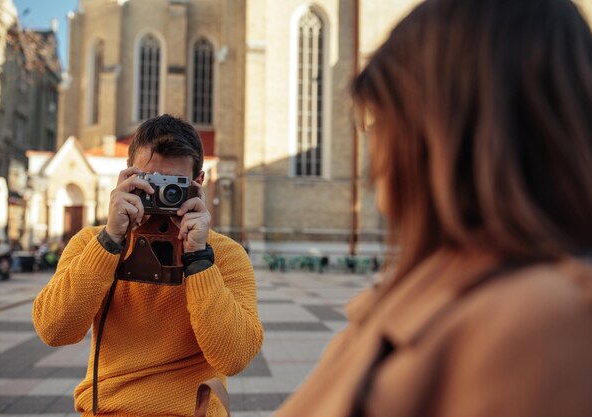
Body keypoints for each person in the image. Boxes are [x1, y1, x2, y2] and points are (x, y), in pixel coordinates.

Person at [273, 0, 592, 416]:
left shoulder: (538, 322)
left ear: (449, 132)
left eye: (382, 119)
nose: (373, 150)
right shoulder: (433, 282)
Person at [32, 115, 264, 417]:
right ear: (127, 176)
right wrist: (110, 240)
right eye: (150, 182)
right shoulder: (91, 243)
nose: (160, 197)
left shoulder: (224, 254)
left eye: (174, 187)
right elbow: (54, 330)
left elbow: (234, 357)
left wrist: (198, 258)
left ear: (198, 183)